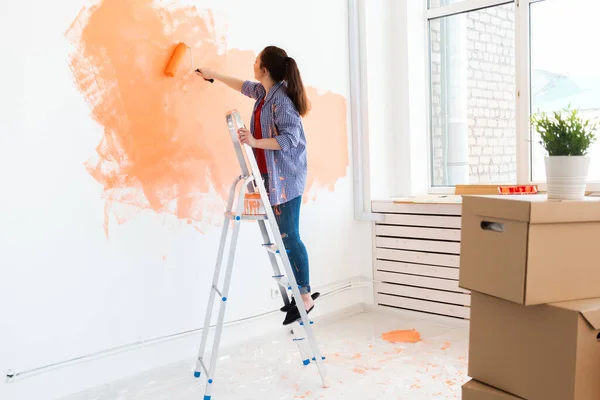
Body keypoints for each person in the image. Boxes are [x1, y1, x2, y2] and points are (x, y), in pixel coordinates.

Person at [197, 46, 319, 325]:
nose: (253, 64)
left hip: (287, 179)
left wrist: (254, 142)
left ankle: (305, 296)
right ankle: (299, 292)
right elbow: (243, 86)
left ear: (265, 69)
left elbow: (289, 140)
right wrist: (212, 75)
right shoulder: (265, 93)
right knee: (283, 236)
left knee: (290, 235)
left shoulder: (282, 102)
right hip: (272, 178)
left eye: (256, 61)